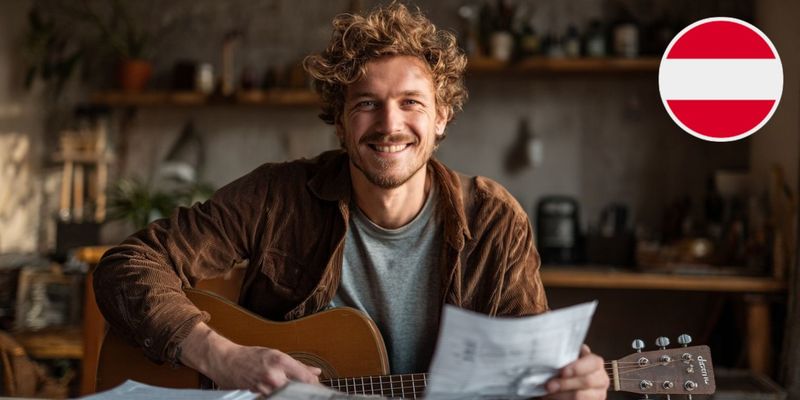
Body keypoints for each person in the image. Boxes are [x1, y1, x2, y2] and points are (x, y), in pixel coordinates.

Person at [94, 3, 609, 399]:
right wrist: (220, 356)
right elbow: (127, 264)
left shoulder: (495, 221)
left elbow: (523, 378)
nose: (390, 125)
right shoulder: (278, 196)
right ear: (340, 122)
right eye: (367, 104)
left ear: (442, 117)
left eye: (412, 103)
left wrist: (567, 389)